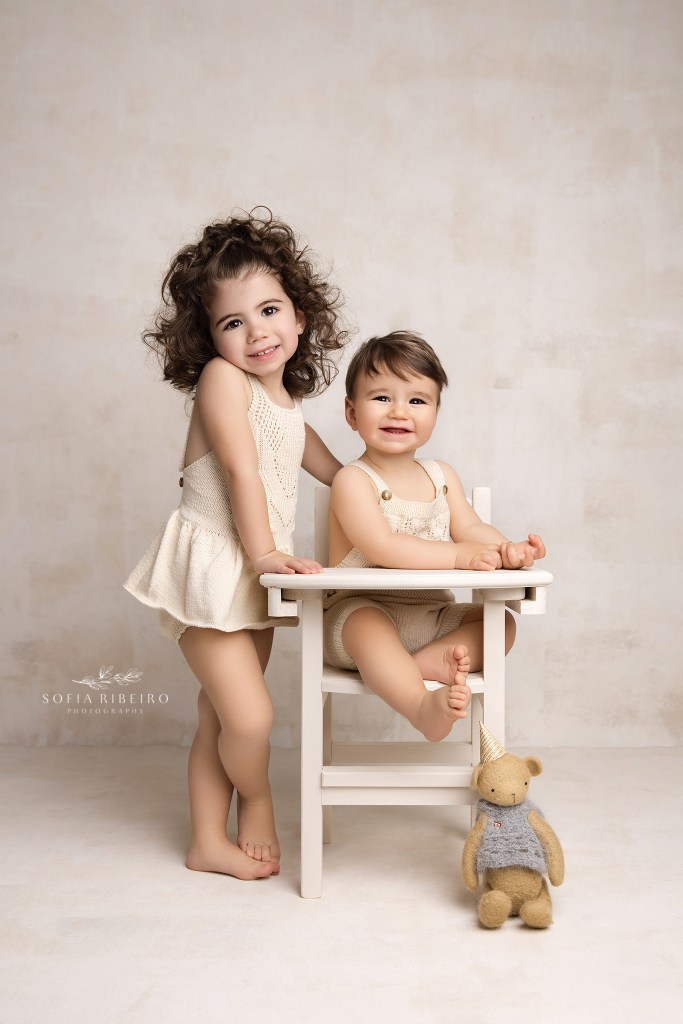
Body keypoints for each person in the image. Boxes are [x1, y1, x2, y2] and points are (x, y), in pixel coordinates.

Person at [125, 209, 348, 880]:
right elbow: (241, 471)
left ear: (301, 317)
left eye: (270, 309)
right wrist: (261, 558)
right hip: (218, 567)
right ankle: (256, 798)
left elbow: (340, 477)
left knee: (218, 716)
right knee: (249, 719)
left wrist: (396, 497)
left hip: (257, 572)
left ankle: (204, 842)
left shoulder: (289, 405)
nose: (256, 332)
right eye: (232, 322)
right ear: (210, 340)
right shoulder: (224, 383)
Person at [323, 331, 545, 744]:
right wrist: (460, 558)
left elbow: (471, 528)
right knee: (367, 626)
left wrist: (503, 550)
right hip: (359, 614)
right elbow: (381, 545)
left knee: (502, 625)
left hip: (432, 617)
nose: (399, 412)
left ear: (436, 413)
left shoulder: (442, 476)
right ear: (352, 413)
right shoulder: (352, 480)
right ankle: (419, 706)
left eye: (417, 400)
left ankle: (428, 662)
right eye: (381, 397)